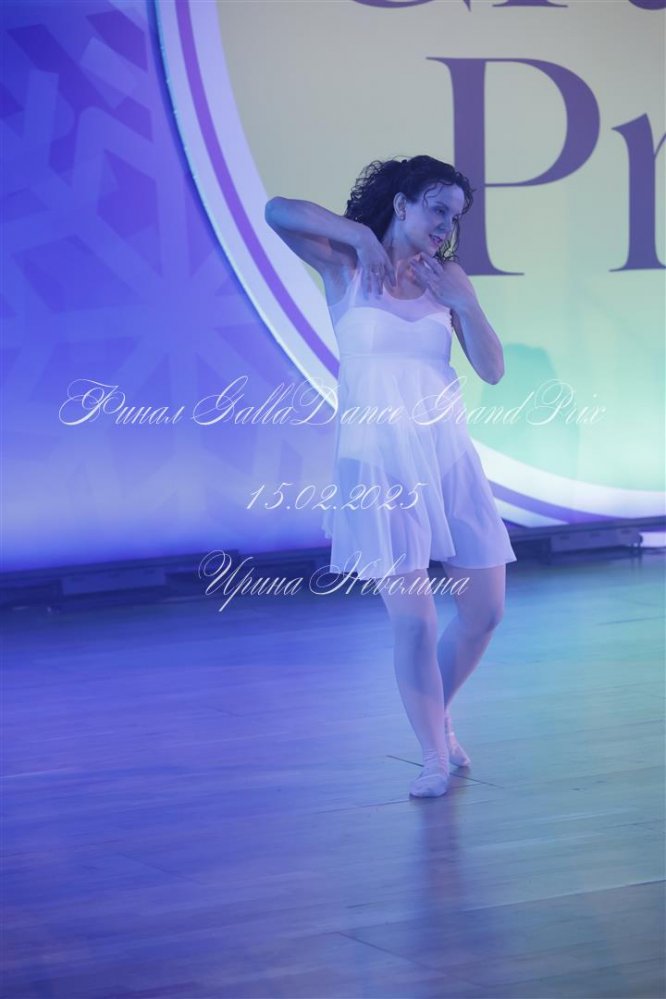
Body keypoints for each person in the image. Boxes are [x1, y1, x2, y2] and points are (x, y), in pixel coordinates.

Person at [265, 155, 517, 799]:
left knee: (485, 611)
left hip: (447, 457)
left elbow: (492, 370)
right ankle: (433, 756)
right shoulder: (346, 266)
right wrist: (358, 235)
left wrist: (465, 304)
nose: (445, 226)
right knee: (415, 622)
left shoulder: (447, 278)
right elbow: (276, 211)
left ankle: (438, 715)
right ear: (401, 204)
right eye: (437, 209)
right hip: (377, 463)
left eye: (454, 217)